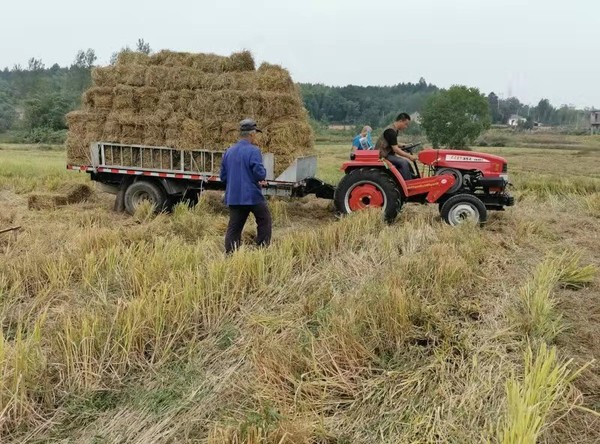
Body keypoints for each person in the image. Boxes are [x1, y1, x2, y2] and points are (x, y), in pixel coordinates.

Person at [220, 118, 272, 254]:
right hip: (251, 196)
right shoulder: (254, 151)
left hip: (234, 196)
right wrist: (261, 177)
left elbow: (223, 177)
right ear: (252, 134)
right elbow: (259, 174)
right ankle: (262, 249)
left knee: (234, 227)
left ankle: (231, 254)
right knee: (264, 220)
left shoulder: (229, 151)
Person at [374, 113, 416, 180]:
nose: (406, 127)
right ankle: (408, 184)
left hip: (387, 153)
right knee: (403, 163)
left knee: (407, 163)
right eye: (405, 124)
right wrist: (409, 156)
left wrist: (404, 145)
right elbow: (396, 149)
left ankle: (414, 180)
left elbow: (393, 142)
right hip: (383, 155)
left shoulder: (393, 129)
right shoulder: (390, 131)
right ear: (400, 121)